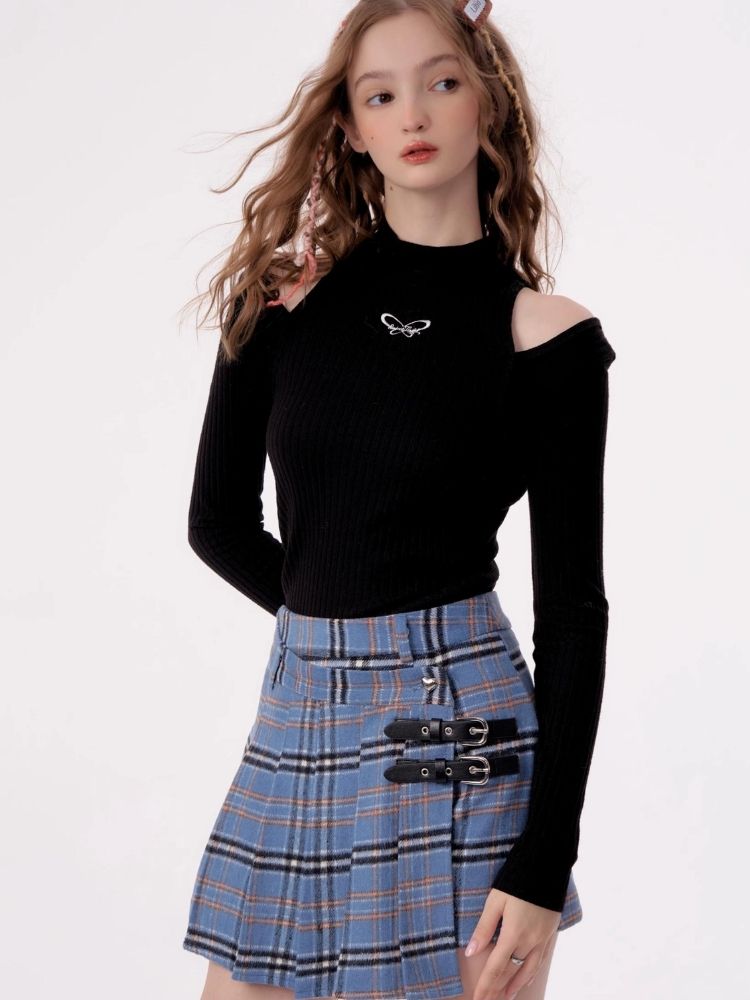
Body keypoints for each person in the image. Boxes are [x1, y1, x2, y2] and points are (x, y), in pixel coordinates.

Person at [181, 3, 616, 1000]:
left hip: (457, 731)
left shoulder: (543, 336)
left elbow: (574, 613)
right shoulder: (281, 304)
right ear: (349, 126)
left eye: (442, 82)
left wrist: (542, 862)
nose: (413, 113)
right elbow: (217, 524)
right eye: (380, 94)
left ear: (486, 106)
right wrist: (342, 640)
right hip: (301, 716)